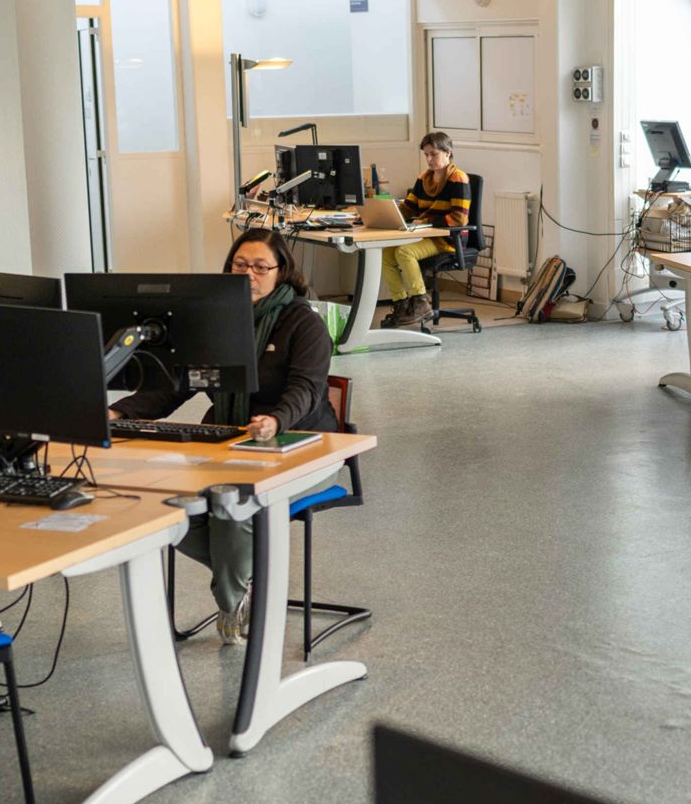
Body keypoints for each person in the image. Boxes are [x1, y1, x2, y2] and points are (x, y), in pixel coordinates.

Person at [111, 227, 335, 645]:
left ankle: (231, 600)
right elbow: (177, 385)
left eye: (261, 267)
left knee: (232, 504)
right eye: (240, 265)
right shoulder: (215, 323)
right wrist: (119, 411)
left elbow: (306, 390)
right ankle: (244, 579)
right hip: (232, 440)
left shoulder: (303, 323)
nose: (249, 274)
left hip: (303, 442)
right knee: (167, 501)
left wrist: (276, 421)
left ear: (281, 271)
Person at [381, 132, 472, 329]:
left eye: (434, 154)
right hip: (425, 235)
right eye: (426, 155)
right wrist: (389, 213)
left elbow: (459, 218)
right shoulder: (423, 178)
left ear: (448, 153)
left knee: (404, 252)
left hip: (447, 239)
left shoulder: (458, 178)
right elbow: (409, 208)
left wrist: (427, 220)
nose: (429, 159)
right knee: (387, 253)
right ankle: (402, 305)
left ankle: (421, 302)